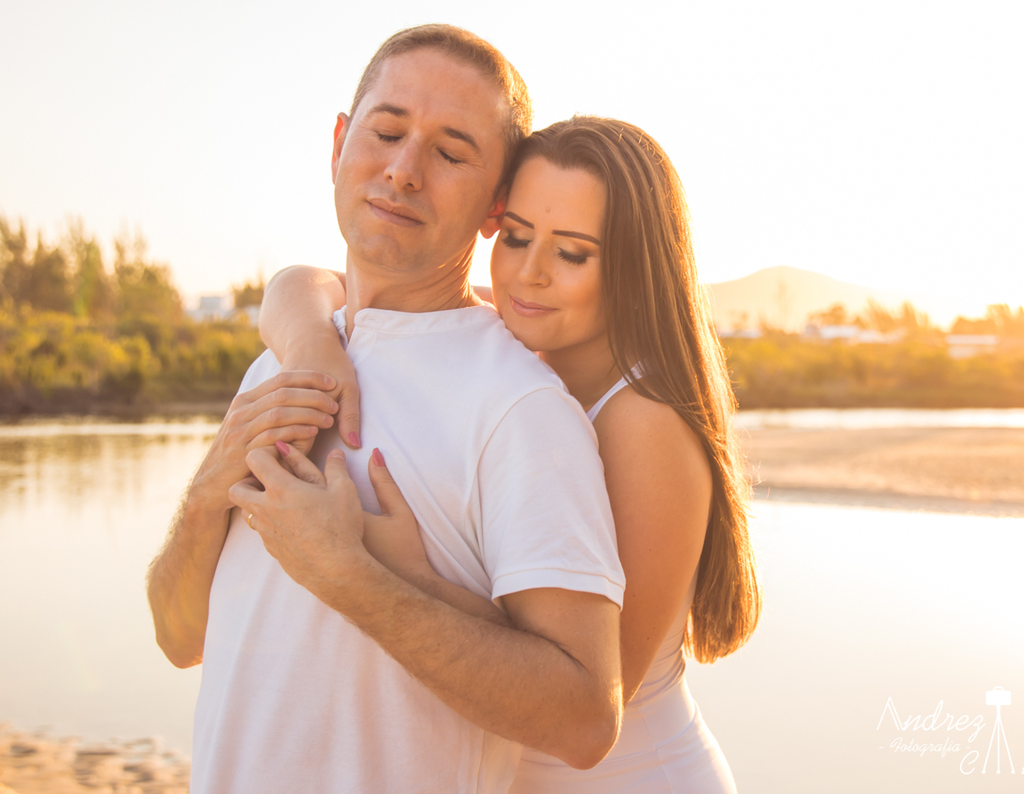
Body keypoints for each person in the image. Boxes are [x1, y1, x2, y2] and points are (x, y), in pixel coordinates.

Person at [145, 26, 628, 794]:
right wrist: (207, 491)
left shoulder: (519, 408)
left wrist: (349, 577)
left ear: (495, 205)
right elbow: (178, 637)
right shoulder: (279, 362)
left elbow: (585, 719)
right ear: (340, 143)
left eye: (450, 151)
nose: (403, 170)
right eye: (388, 131)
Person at [259, 116, 761, 792]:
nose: (530, 272)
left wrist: (405, 571)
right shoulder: (515, 336)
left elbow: (592, 692)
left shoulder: (646, 420)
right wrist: (310, 343)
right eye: (517, 237)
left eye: (572, 253)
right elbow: (308, 282)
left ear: (635, 265)